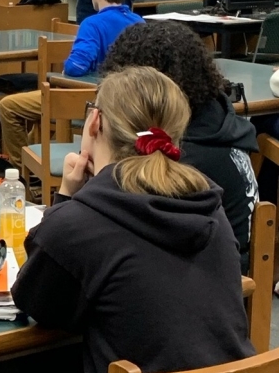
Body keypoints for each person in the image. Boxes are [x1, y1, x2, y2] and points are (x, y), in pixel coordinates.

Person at [0, 66, 254, 373]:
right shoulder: (209, 203)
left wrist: (66, 195)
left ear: (94, 122)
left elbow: (37, 303)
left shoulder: (82, 221)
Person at [101, 20, 259, 270]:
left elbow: (112, 240)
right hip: (228, 273)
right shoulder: (218, 118)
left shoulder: (173, 162)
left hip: (202, 281)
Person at [0, 0, 143, 172]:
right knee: (47, 113)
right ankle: (31, 161)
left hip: (90, 101)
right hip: (127, 102)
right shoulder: (138, 21)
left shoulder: (93, 24)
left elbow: (77, 65)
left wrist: (66, 68)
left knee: (9, 107)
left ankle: (22, 172)